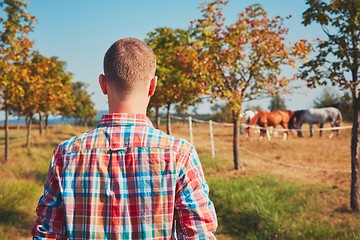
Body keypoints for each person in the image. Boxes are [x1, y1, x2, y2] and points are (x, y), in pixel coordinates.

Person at [31, 37, 218, 239]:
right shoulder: (180, 155)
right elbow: (199, 234)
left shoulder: (65, 154)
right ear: (152, 86)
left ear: (102, 84)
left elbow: (47, 234)